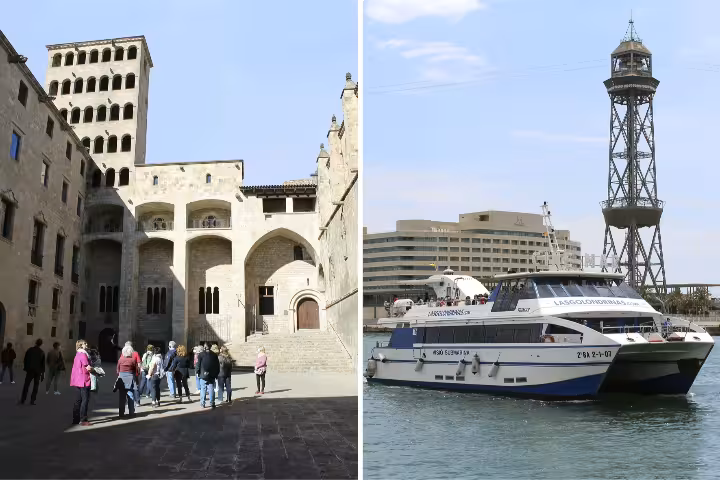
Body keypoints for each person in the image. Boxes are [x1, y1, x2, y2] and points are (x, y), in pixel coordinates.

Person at [70, 340, 93, 426]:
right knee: (85, 400)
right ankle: (83, 419)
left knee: (78, 400)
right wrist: (96, 371)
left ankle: (75, 419)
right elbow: (88, 367)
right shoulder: (83, 354)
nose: (86, 344)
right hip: (83, 380)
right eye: (85, 343)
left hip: (76, 380)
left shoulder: (77, 354)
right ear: (80, 345)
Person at [115, 345, 139, 418]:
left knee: (122, 397)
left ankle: (121, 413)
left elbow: (117, 370)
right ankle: (131, 412)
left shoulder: (120, 359)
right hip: (130, 378)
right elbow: (136, 370)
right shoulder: (133, 360)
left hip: (121, 378)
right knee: (130, 395)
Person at [19, 339, 45, 405]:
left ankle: (23, 399)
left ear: (35, 343)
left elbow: (25, 359)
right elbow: (43, 364)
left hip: (30, 370)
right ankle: (32, 400)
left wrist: (26, 368)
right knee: (35, 386)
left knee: (26, 385)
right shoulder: (42, 352)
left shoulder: (30, 350)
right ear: (41, 344)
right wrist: (42, 373)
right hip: (37, 371)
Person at [196, 343, 219, 409]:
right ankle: (212, 403)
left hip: (203, 374)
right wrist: (216, 374)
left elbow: (198, 364)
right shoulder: (214, 355)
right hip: (211, 375)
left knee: (203, 389)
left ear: (204, 347)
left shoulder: (201, 354)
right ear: (210, 347)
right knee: (211, 388)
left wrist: (197, 372)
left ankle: (203, 403)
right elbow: (217, 366)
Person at [124, 341, 142, 407]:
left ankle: (130, 401)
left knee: (128, 387)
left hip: (126, 372)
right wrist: (139, 371)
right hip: (134, 372)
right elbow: (139, 363)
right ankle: (137, 402)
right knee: (135, 387)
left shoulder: (124, 354)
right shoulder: (135, 353)